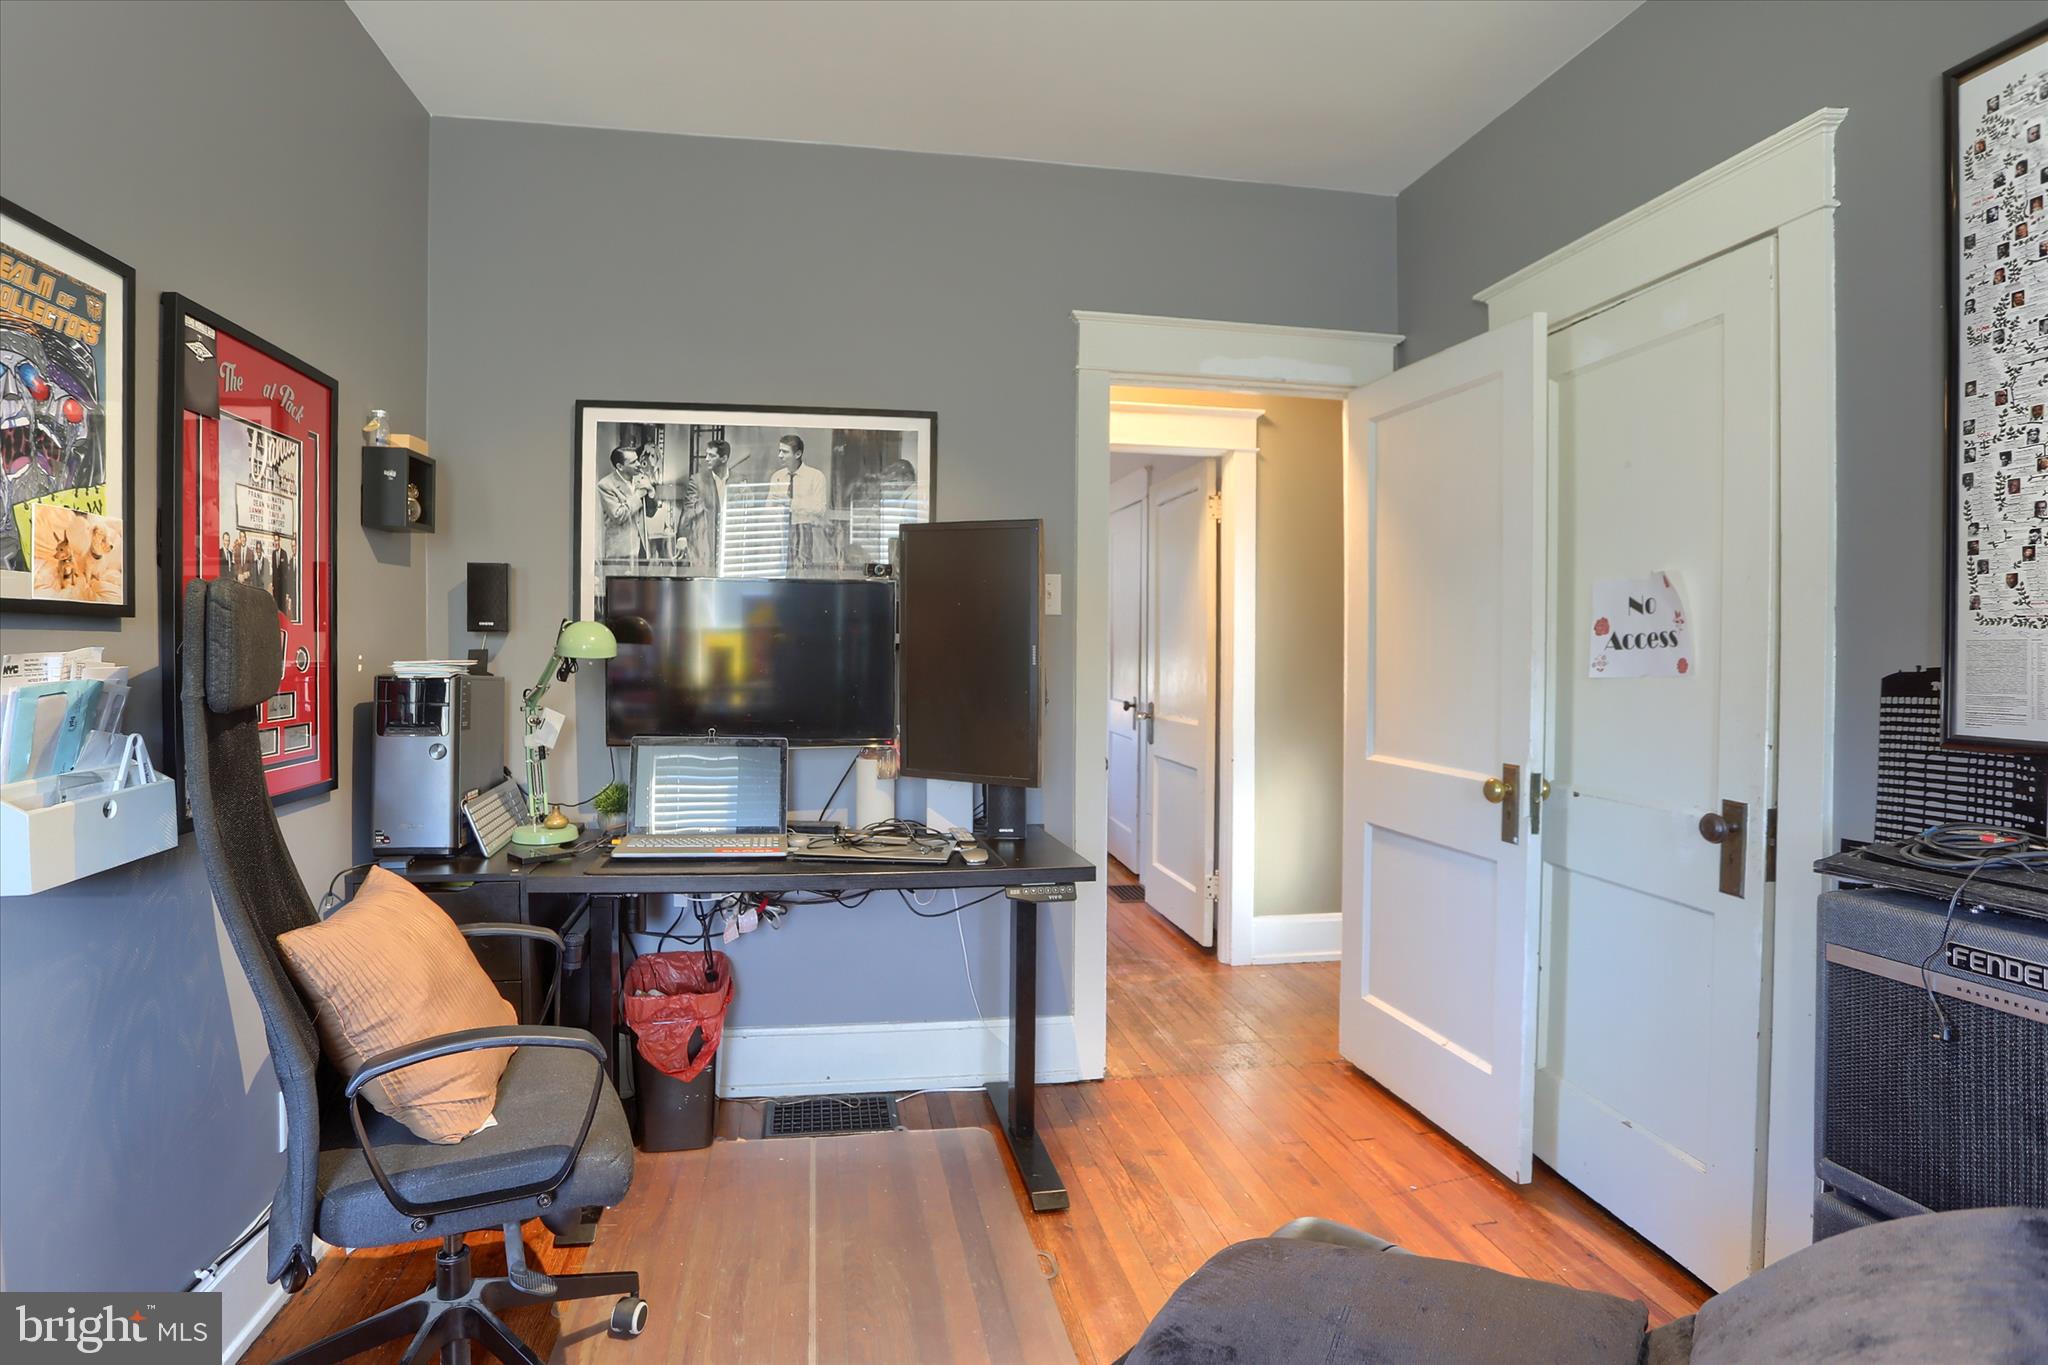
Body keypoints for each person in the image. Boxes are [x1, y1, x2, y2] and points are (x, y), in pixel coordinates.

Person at [769, 434, 828, 571]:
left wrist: (791, 503)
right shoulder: (777, 477)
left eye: (784, 452)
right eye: (779, 451)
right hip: (781, 534)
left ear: (798, 454)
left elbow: (820, 509)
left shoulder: (816, 476)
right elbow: (769, 508)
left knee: (803, 573)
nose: (780, 455)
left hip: (806, 534)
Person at [596, 444, 653, 563]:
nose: (638, 464)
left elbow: (651, 513)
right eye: (633, 462)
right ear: (620, 466)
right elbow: (618, 515)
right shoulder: (606, 485)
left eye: (637, 459)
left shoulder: (641, 479)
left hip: (643, 550)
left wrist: (651, 492)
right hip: (621, 553)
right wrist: (637, 496)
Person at [682, 438, 729, 572]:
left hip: (728, 544)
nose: (707, 459)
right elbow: (688, 511)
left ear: (724, 458)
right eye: (706, 454)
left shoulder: (738, 480)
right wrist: (682, 536)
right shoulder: (697, 481)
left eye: (712, 455)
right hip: (705, 543)